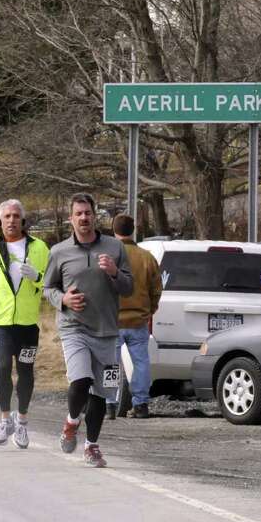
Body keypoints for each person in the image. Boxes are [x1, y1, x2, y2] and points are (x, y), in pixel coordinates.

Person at [42, 193, 133, 468]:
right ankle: (71, 422)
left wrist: (115, 272)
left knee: (102, 393)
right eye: (78, 213)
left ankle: (91, 446)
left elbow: (129, 288)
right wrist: (63, 300)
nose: (83, 217)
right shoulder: (59, 251)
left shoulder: (115, 247)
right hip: (74, 328)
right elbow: (48, 288)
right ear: (71, 218)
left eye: (88, 213)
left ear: (95, 216)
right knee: (80, 380)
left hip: (107, 332)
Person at [0, 199, 50, 448]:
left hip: (26, 322)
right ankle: (5, 419)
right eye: (7, 216)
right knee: (3, 365)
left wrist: (37, 277)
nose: (12, 220)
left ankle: (22, 422)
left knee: (25, 370)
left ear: (22, 220)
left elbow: (52, 282)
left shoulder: (39, 248)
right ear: (0, 221)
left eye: (16, 216)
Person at [109, 213, 162, 420]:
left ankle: (110, 405)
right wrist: (151, 309)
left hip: (112, 320)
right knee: (141, 362)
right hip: (138, 320)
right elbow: (156, 288)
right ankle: (140, 404)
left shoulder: (107, 256)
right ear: (133, 230)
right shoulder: (146, 257)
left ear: (113, 231)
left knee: (110, 365)